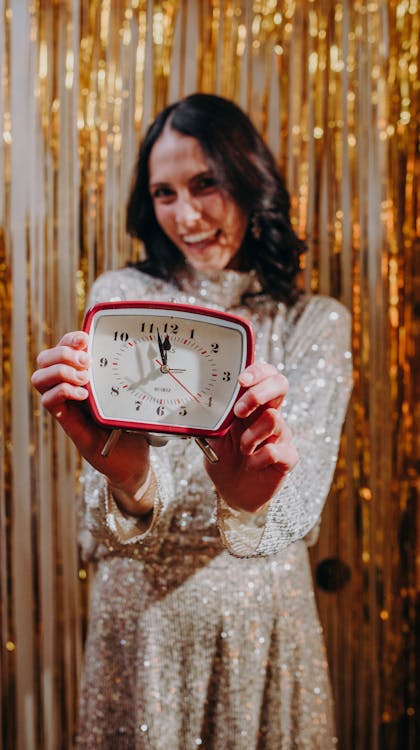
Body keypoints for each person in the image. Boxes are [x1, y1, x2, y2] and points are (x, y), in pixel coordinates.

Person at [31, 93, 352, 749]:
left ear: (248, 177)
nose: (187, 214)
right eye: (164, 193)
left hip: (265, 625)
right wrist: (128, 476)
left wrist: (249, 496)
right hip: (140, 625)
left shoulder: (315, 322)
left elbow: (302, 507)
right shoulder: (119, 299)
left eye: (205, 183)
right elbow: (102, 522)